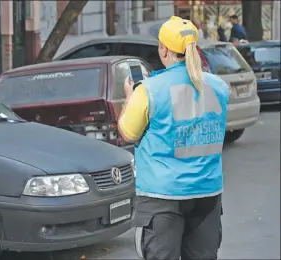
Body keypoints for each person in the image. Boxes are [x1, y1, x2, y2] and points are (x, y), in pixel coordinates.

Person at [118, 16, 230, 260]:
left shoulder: (148, 90)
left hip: (162, 197)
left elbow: (127, 132)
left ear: (164, 50)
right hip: (207, 193)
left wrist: (130, 97)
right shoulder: (219, 86)